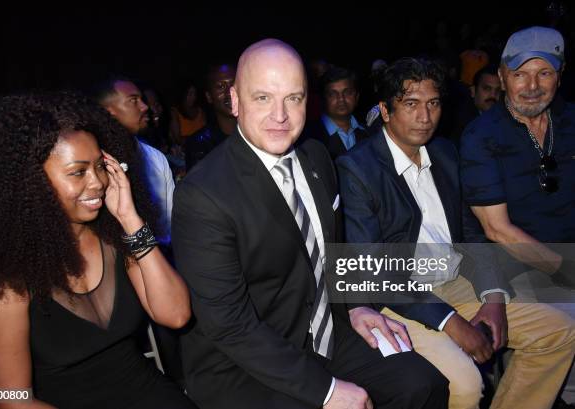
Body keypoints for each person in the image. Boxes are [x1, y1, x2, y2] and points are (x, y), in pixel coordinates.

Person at [172, 38, 449, 409]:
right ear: (235, 100)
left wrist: (355, 306)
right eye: (262, 98)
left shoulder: (317, 157)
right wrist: (328, 390)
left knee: (422, 384)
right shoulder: (203, 194)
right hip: (246, 360)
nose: (280, 115)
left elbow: (331, 251)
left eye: (294, 98)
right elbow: (230, 325)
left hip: (326, 331)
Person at [336, 57, 575, 409]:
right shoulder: (357, 168)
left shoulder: (445, 152)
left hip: (453, 281)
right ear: (386, 111)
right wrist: (450, 322)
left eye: (433, 104)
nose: (424, 116)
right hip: (399, 299)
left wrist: (493, 296)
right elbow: (375, 271)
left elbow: (472, 236)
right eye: (411, 104)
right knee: (462, 385)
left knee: (557, 331)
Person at [0, 92, 196, 409]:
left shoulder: (115, 239)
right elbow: (8, 400)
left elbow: (176, 315)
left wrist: (130, 221)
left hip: (148, 393)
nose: (98, 182)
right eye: (78, 171)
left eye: (100, 166)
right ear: (32, 183)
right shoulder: (5, 284)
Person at [460, 26, 575, 407]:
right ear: (504, 75)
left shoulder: (570, 120)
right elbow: (497, 229)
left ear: (560, 75)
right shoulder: (481, 136)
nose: (532, 86)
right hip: (516, 268)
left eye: (544, 73)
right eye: (521, 73)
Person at [92, 76, 176, 249]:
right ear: (108, 112)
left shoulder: (155, 158)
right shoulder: (93, 165)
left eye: (142, 100)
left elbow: (171, 222)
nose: (145, 107)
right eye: (133, 100)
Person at [302, 67, 369, 161]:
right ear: (323, 99)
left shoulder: (369, 133)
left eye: (347, 93)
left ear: (357, 97)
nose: (341, 99)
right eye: (332, 94)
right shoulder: (309, 137)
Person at [185, 62, 236, 171]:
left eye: (234, 84)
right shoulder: (199, 145)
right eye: (221, 86)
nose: (230, 92)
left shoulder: (260, 135)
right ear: (209, 97)